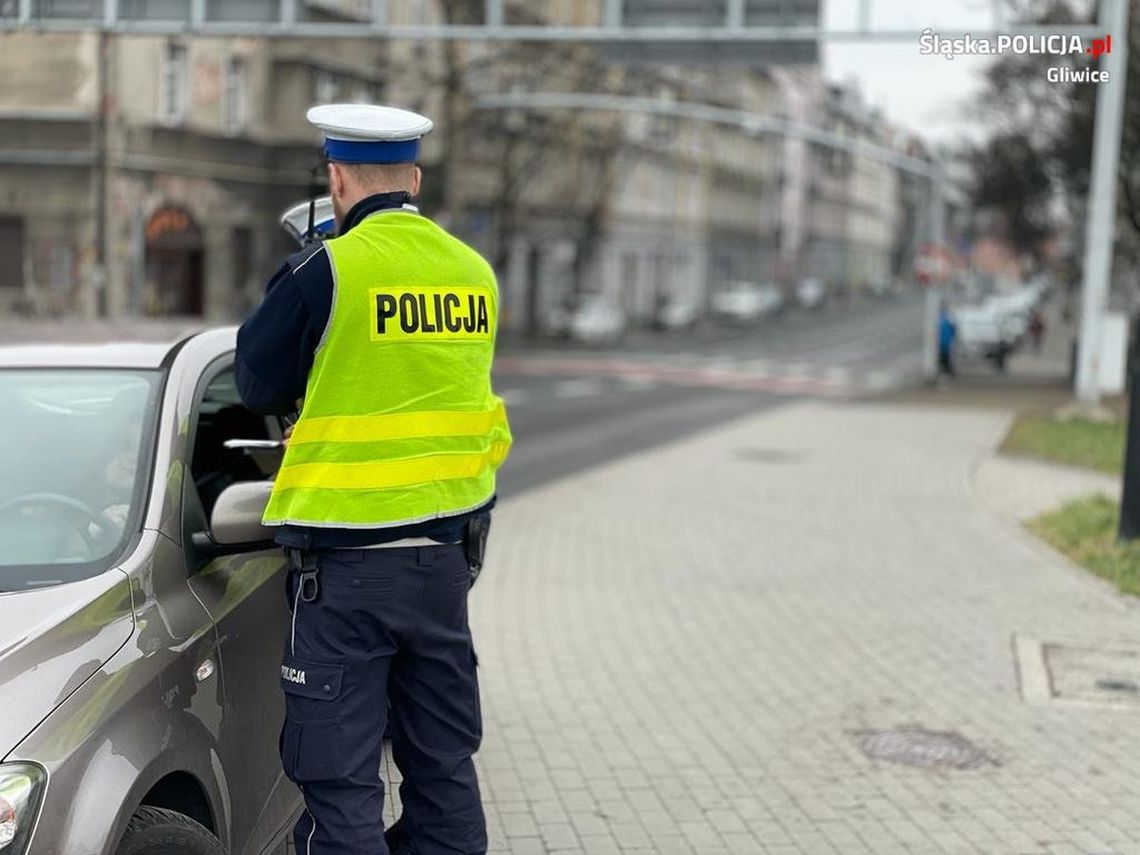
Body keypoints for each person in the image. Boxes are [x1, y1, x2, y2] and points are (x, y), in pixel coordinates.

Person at [235, 103, 512, 855]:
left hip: (347, 578)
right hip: (444, 568)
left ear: (336, 179)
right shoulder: (474, 273)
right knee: (443, 768)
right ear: (413, 179)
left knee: (342, 788)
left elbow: (255, 381)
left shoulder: (326, 269)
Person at [938, 303, 956, 379]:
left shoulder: (939, 319)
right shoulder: (948, 319)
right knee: (945, 358)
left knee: (943, 358)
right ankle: (948, 373)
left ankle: (947, 373)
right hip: (945, 342)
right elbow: (954, 330)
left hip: (942, 342)